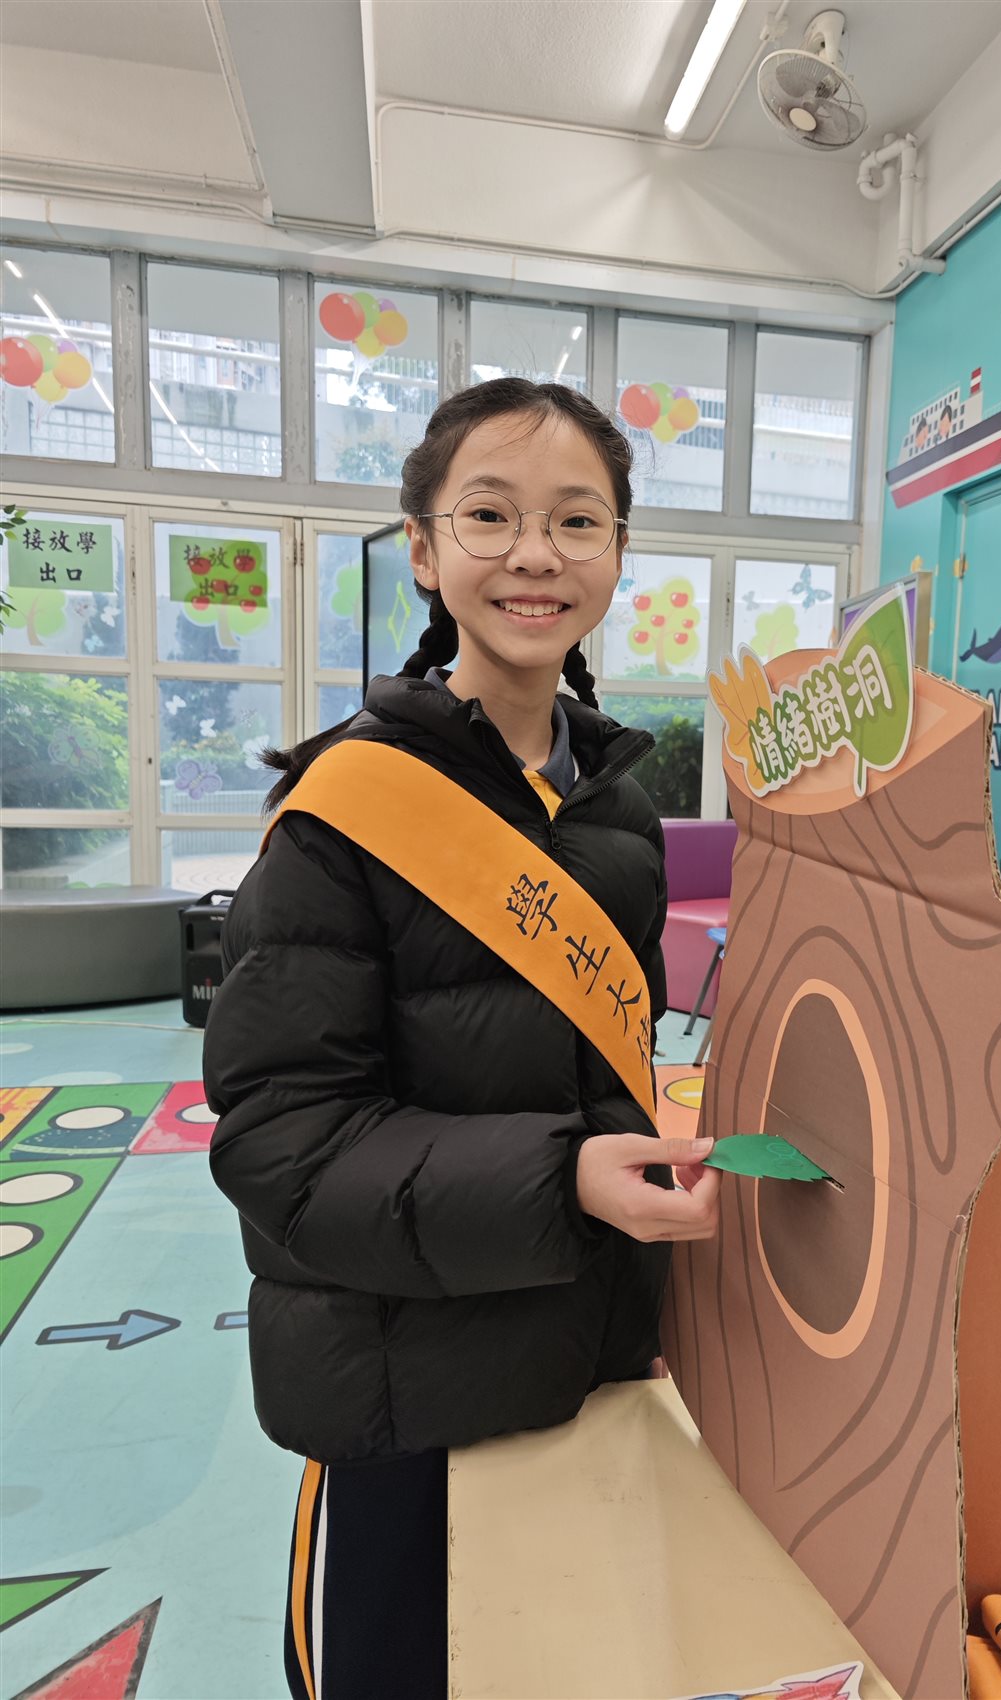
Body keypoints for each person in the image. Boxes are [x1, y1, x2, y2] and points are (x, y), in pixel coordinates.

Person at [203, 378, 722, 1700]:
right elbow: (285, 1148)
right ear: (426, 552)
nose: (536, 553)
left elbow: (612, 1072)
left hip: (595, 1367)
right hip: (402, 1398)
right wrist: (565, 1178)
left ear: (616, 555)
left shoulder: (621, 816)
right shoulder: (342, 811)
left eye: (577, 521)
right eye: (490, 515)